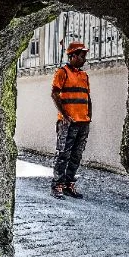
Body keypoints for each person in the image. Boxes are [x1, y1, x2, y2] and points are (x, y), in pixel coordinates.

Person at [50, 41, 91, 199]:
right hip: (68, 122)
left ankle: (68, 184)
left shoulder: (84, 76)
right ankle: (57, 185)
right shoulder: (62, 72)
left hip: (83, 122)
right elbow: (54, 94)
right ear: (72, 56)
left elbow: (87, 97)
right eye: (81, 56)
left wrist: (89, 116)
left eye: (84, 56)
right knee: (63, 154)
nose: (84, 59)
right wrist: (65, 116)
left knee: (76, 155)